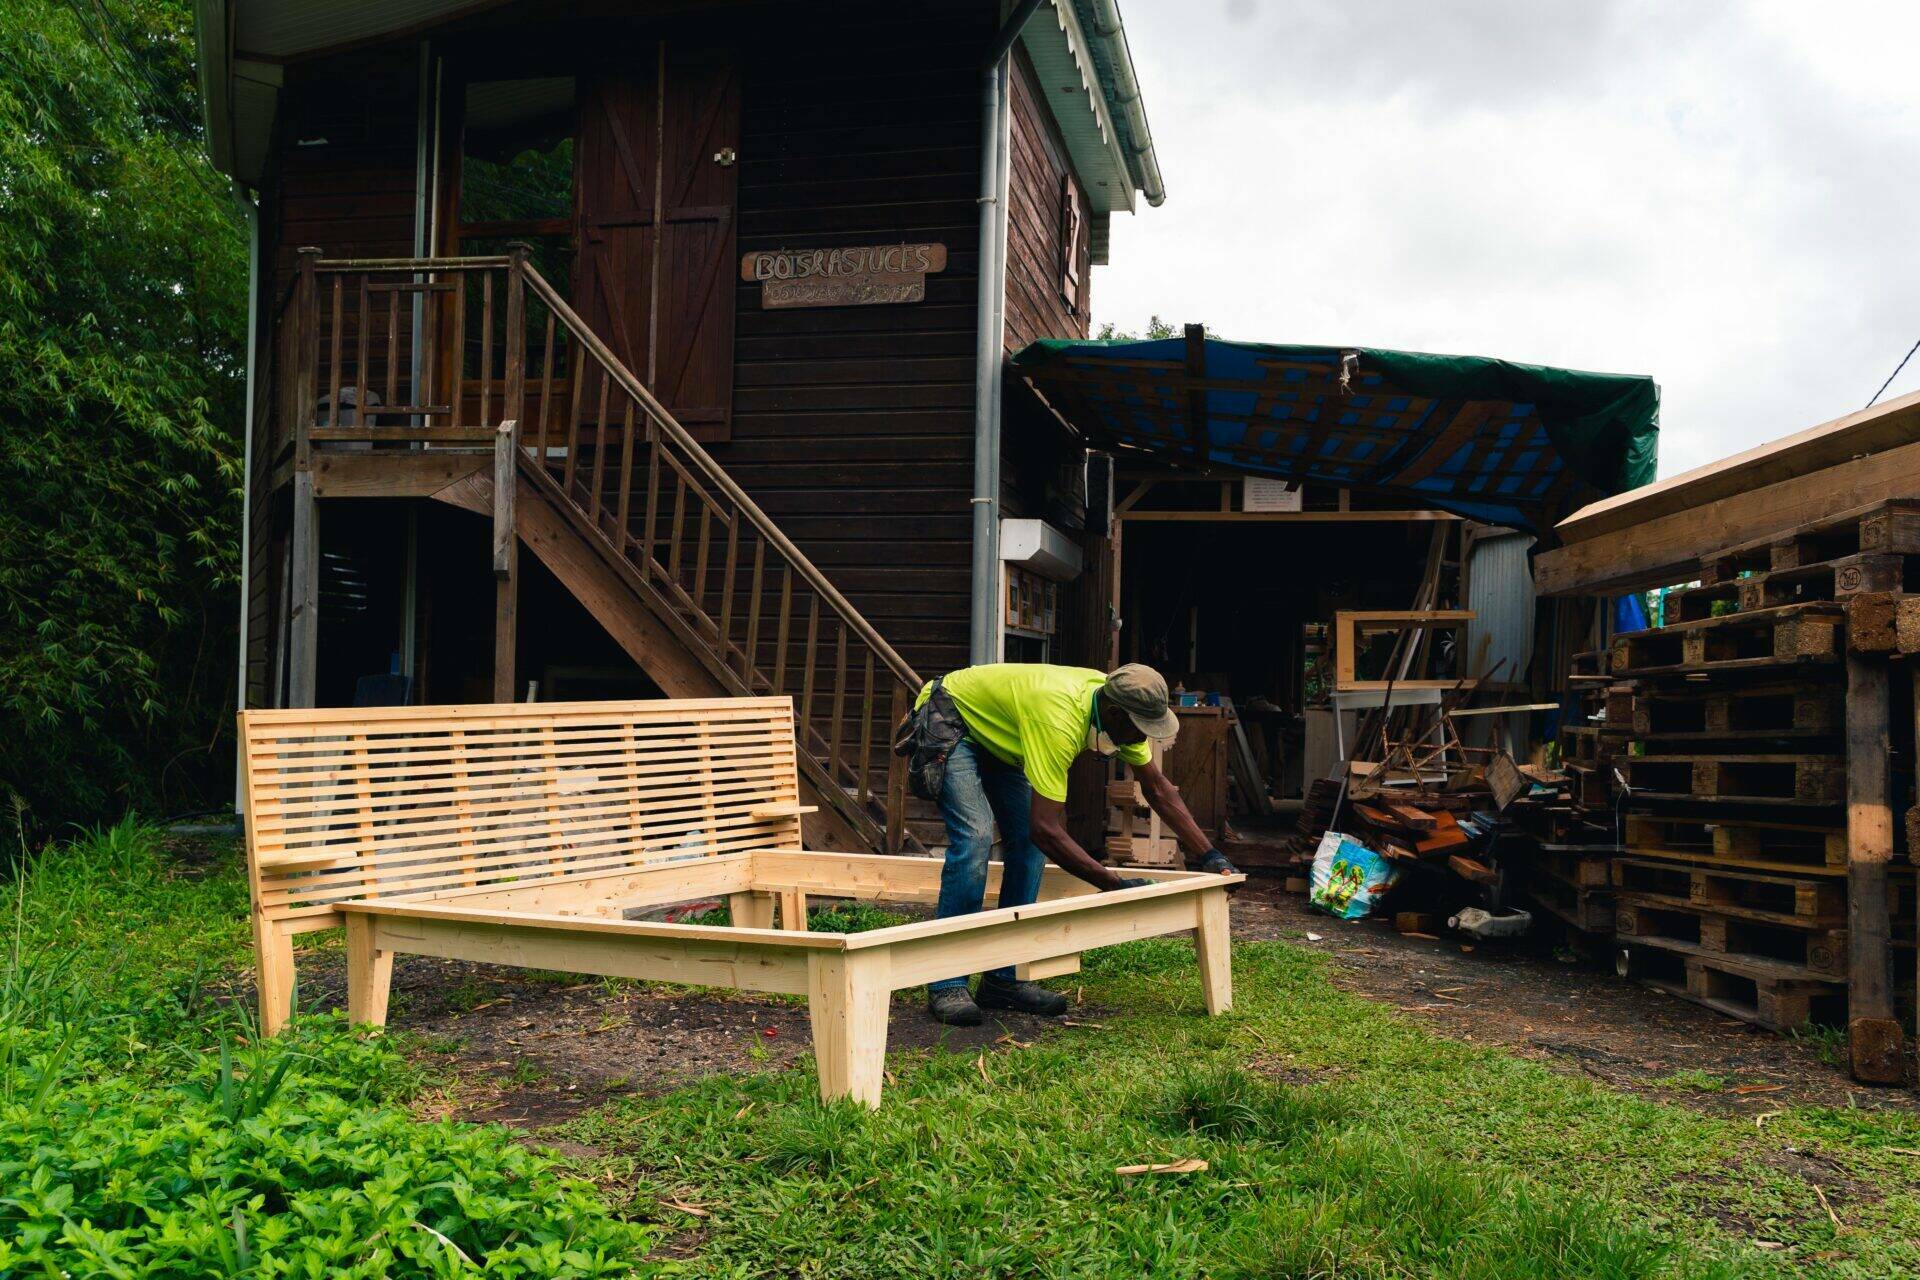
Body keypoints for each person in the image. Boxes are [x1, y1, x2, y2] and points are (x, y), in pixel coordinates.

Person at [914, 662, 1239, 1027]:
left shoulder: (1122, 709)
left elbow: (1158, 789)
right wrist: (1111, 882)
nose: (1140, 738)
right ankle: (947, 982)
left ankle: (1003, 980)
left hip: (1001, 734)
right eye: (1139, 728)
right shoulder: (1059, 720)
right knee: (976, 837)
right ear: (1115, 714)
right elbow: (1045, 828)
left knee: (1028, 847)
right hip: (954, 717)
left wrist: (1210, 855)